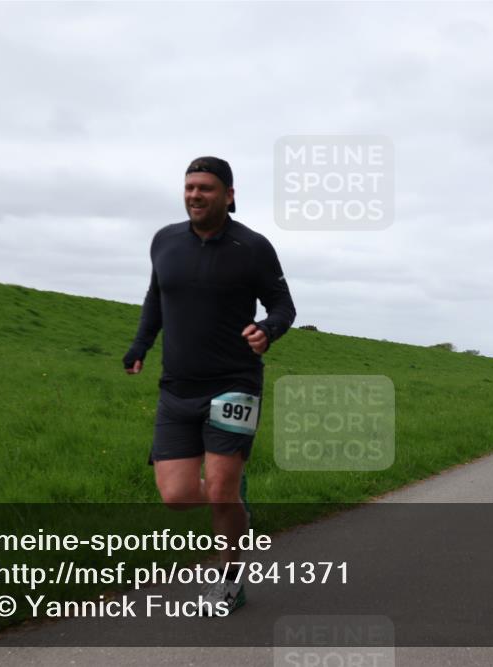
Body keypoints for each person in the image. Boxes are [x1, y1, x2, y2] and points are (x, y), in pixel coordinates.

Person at [123, 156, 296, 614]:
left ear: (229, 195)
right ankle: (236, 508)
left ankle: (229, 581)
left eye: (206, 188)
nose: (195, 195)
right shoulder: (164, 241)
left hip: (235, 382)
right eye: (190, 187)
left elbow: (283, 306)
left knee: (219, 491)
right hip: (177, 387)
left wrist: (268, 330)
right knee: (176, 497)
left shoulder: (252, 247)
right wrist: (140, 345)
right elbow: (156, 298)